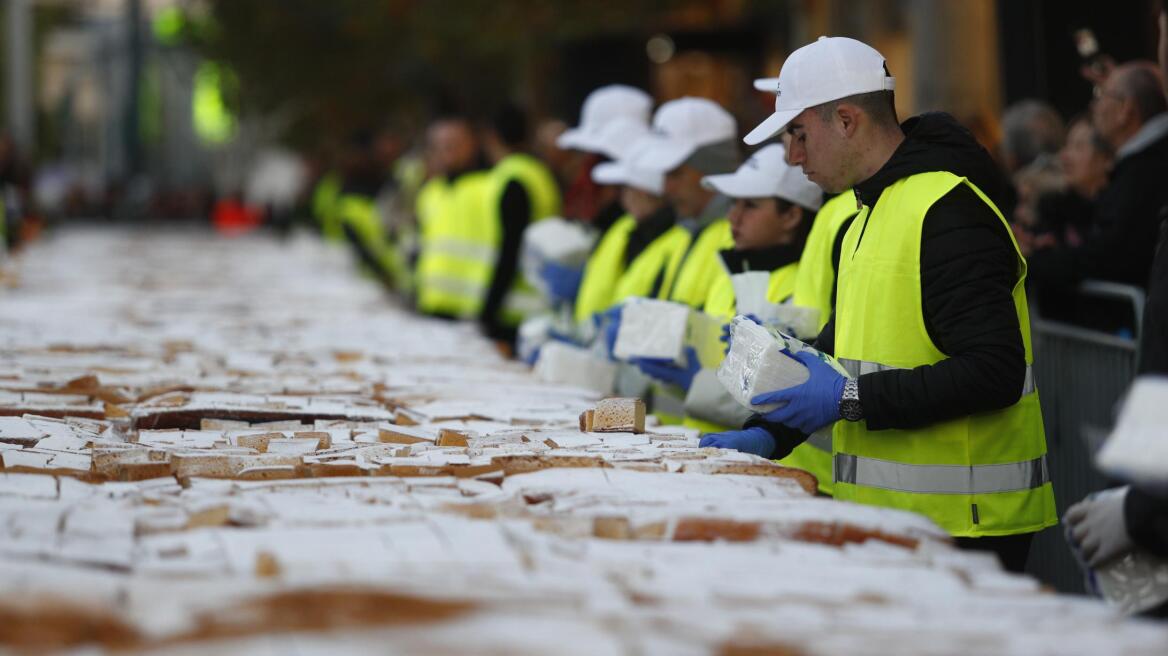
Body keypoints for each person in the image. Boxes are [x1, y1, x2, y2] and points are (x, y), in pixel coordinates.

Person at [701, 36, 1056, 572]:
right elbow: (838, 352)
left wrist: (847, 398)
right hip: (891, 518)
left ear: (846, 120)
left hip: (965, 526)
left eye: (798, 135)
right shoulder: (865, 215)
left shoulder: (947, 211)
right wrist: (769, 433)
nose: (792, 157)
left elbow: (994, 371)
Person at [1028, 61, 1168, 289]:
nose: (1094, 106)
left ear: (1125, 110)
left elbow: (1110, 256)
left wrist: (1031, 262)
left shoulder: (1146, 170)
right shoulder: (1142, 164)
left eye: (1102, 94)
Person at [479, 104, 563, 346]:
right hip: (541, 300)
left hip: (514, 307)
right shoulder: (539, 173)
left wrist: (489, 309)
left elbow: (511, 245)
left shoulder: (512, 178)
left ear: (492, 137)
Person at [413, 116, 492, 319]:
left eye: (454, 144)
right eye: (438, 146)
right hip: (431, 304)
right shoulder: (429, 193)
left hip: (473, 311)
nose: (446, 152)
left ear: (473, 144)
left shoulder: (490, 188)